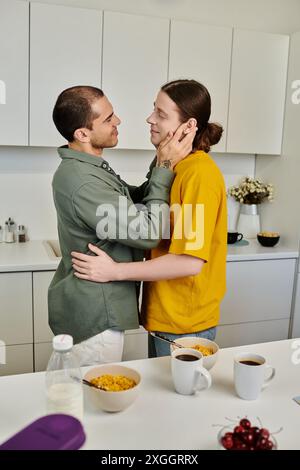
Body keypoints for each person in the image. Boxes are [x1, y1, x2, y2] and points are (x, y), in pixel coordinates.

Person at [71, 79, 227, 358]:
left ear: (189, 126)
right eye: (153, 109)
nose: (149, 119)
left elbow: (190, 262)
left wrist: (114, 271)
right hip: (165, 318)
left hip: (186, 323)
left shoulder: (198, 174)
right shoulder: (175, 169)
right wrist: (160, 163)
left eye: (161, 114)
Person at [48, 85, 196, 366]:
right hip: (96, 319)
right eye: (108, 119)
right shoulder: (83, 181)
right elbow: (149, 232)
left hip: (92, 312)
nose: (118, 121)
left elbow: (135, 198)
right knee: (88, 403)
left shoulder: (87, 168)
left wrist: (162, 159)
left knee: (75, 395)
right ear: (82, 134)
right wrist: (165, 167)